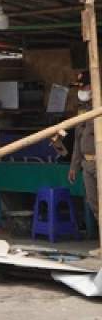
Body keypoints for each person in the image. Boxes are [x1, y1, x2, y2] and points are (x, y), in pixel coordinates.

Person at [69, 71, 99, 235]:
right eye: (79, 88)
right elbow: (77, 140)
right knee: (93, 203)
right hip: (87, 164)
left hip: (99, 162)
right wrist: (74, 166)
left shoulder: (99, 108)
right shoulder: (82, 110)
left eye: (84, 87)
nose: (81, 91)